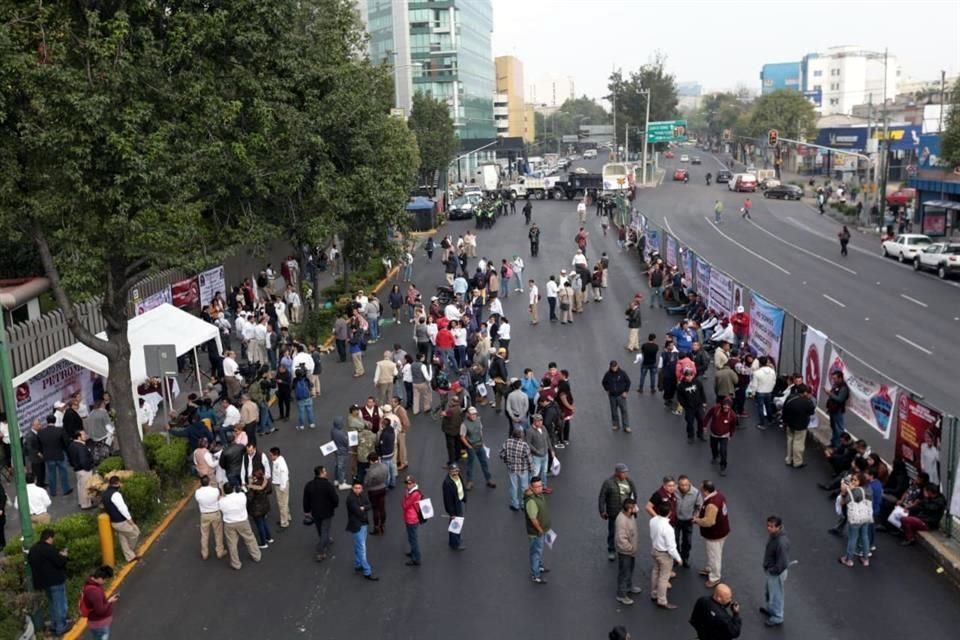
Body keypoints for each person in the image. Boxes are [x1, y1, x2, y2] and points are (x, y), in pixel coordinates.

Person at [28, 529, 70, 637]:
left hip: (43, 583)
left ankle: (54, 625)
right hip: (55, 581)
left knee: (52, 605)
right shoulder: (49, 549)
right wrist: (64, 555)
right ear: (50, 538)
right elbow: (59, 562)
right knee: (59, 604)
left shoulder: (33, 549)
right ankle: (61, 626)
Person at [693, 480, 730, 588]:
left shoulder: (712, 504)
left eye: (701, 489)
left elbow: (709, 522)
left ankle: (715, 577)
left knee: (715, 555)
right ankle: (710, 568)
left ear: (705, 491)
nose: (700, 490)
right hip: (722, 530)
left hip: (715, 535)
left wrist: (697, 520)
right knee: (713, 553)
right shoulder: (719, 495)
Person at [599, 463, 638, 562]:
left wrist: (634, 508)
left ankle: (628, 548)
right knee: (613, 531)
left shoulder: (629, 482)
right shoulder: (608, 483)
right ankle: (611, 550)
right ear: (617, 473)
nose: (625, 474)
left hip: (627, 511)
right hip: (614, 511)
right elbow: (602, 497)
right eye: (623, 472)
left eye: (626, 472)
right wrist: (602, 511)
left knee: (629, 530)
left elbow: (633, 495)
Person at [650, 500, 682, 609]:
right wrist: (679, 559)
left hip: (654, 550)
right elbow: (671, 548)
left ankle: (654, 593)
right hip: (664, 555)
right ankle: (662, 600)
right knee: (664, 577)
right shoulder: (668, 528)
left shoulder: (653, 520)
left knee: (655, 572)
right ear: (669, 513)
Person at [303, 466, 339, 561]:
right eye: (325, 471)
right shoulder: (328, 485)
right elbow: (335, 499)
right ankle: (321, 551)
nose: (326, 472)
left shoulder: (309, 485)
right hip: (327, 512)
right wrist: (334, 506)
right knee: (325, 530)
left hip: (315, 512)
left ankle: (325, 540)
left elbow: (306, 500)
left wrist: (307, 511)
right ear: (322, 473)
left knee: (319, 528)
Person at [102, 475, 141, 562]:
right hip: (121, 521)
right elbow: (122, 508)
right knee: (135, 533)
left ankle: (130, 557)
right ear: (117, 483)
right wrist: (130, 520)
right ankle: (131, 550)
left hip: (113, 521)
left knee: (123, 538)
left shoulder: (105, 494)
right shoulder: (116, 494)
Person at [611, 497, 642, 604]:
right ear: (629, 509)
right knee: (624, 572)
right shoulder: (621, 521)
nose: (637, 509)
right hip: (625, 552)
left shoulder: (630, 515)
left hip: (631, 551)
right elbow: (621, 539)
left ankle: (628, 586)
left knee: (629, 570)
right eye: (634, 507)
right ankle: (621, 595)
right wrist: (631, 548)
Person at [346, 479, 379, 580]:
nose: (358, 490)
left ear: (362, 488)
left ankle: (358, 564)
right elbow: (359, 512)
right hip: (357, 525)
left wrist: (363, 508)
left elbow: (369, 505)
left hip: (363, 524)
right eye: (356, 488)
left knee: (358, 546)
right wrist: (364, 508)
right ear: (352, 488)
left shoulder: (362, 495)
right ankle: (367, 571)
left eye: (359, 488)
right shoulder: (350, 499)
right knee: (362, 548)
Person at [762, 515, 790, 627]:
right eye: (768, 525)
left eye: (772, 526)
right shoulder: (774, 535)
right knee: (769, 592)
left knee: (776, 595)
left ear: (779, 527)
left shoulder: (781, 542)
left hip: (776, 573)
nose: (769, 528)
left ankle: (778, 616)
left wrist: (772, 571)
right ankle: (771, 610)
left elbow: (782, 563)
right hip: (772, 570)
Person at [899, 481, 946, 546]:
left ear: (929, 491)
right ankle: (907, 534)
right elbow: (920, 506)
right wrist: (909, 509)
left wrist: (926, 498)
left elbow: (929, 508)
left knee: (904, 519)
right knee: (907, 516)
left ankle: (910, 538)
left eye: (926, 491)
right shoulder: (930, 498)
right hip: (922, 518)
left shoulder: (939, 501)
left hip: (928, 523)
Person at [460, 406, 496, 490]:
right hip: (472, 447)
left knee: (484, 463)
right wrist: (469, 446)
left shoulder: (478, 421)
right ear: (468, 414)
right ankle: (469, 481)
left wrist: (483, 443)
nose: (473, 416)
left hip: (479, 445)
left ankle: (488, 479)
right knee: (470, 465)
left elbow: (480, 431)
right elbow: (462, 437)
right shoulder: (464, 424)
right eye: (472, 414)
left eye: (475, 414)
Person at [524, 476, 551, 585]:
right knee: (535, 553)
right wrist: (540, 530)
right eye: (537, 486)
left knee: (538, 551)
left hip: (542, 530)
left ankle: (539, 566)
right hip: (536, 533)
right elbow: (533, 519)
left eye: (541, 485)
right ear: (531, 487)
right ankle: (535, 575)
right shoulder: (531, 501)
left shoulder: (538, 495)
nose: (540, 488)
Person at [782, 384, 816, 468]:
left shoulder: (790, 397)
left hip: (789, 423)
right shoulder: (806, 402)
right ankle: (797, 462)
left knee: (790, 440)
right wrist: (809, 400)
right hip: (800, 425)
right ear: (805, 393)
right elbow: (811, 411)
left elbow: (784, 408)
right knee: (798, 443)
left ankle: (789, 459)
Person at [81, 565, 118, 639]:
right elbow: (100, 611)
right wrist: (109, 601)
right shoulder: (95, 592)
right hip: (100, 624)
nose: (105, 582)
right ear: (100, 578)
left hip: (95, 623)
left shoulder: (89, 583)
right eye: (105, 580)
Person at [500, 427, 533, 512]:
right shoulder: (524, 445)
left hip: (511, 468)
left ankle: (515, 504)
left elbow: (501, 454)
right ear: (521, 436)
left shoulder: (507, 442)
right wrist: (531, 469)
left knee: (513, 486)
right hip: (523, 469)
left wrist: (507, 461)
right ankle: (523, 504)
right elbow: (529, 459)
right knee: (524, 487)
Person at [38, 414, 71, 497]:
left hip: (48, 456)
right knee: (63, 472)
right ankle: (66, 489)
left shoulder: (41, 432)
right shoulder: (60, 430)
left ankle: (53, 492)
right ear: (55, 421)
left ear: (47, 421)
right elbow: (66, 442)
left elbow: (39, 444)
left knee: (51, 474)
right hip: (60, 454)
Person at [194, 476, 226, 560]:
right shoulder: (215, 491)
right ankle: (219, 551)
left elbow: (198, 500)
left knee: (204, 534)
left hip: (204, 514)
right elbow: (219, 497)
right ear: (209, 481)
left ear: (201, 483)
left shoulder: (198, 492)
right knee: (218, 534)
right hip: (215, 513)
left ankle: (204, 553)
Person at [704, 397, 737, 475]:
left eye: (728, 406)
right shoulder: (715, 409)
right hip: (714, 434)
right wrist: (704, 426)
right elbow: (708, 415)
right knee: (713, 447)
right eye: (725, 405)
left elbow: (733, 426)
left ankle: (723, 466)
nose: (726, 407)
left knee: (723, 451)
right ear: (722, 404)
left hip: (724, 436)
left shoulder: (732, 415)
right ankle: (715, 456)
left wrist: (730, 435)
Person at [677, 368, 707, 443]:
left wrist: (704, 402)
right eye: (687, 376)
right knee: (690, 422)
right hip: (689, 408)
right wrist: (685, 406)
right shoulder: (681, 386)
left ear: (693, 375)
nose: (689, 377)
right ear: (684, 376)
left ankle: (700, 434)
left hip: (698, 405)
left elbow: (702, 392)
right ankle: (690, 436)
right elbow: (680, 398)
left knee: (701, 420)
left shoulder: (697, 382)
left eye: (690, 375)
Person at [67, 430, 95, 509]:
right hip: (84, 470)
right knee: (86, 487)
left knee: (80, 486)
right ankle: (86, 504)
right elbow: (83, 460)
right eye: (83, 435)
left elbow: (70, 459)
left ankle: (81, 502)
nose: (85, 436)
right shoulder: (81, 447)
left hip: (77, 470)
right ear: (79, 437)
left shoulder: (71, 445)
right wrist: (88, 468)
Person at [401, 475, 425, 567]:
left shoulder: (414, 494)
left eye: (409, 483)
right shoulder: (410, 492)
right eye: (406, 483)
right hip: (409, 518)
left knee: (413, 539)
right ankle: (413, 552)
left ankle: (416, 558)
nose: (407, 485)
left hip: (412, 519)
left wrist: (405, 498)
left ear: (414, 483)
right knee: (411, 537)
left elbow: (404, 505)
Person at [442, 463, 467, 550]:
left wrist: (464, 497)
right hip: (454, 506)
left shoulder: (458, 476)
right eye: (454, 471)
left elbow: (461, 486)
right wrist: (451, 513)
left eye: (457, 470)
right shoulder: (447, 483)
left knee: (455, 522)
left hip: (458, 501)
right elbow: (448, 500)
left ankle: (453, 540)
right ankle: (455, 543)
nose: (456, 472)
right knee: (456, 523)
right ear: (449, 471)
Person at [602, 360, 632, 433]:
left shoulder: (622, 373)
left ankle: (626, 426)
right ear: (610, 367)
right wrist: (607, 389)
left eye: (615, 367)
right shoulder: (608, 374)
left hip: (621, 395)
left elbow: (628, 382)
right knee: (614, 411)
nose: (614, 368)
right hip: (612, 396)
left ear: (617, 365)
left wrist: (626, 391)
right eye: (612, 367)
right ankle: (616, 425)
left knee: (624, 411)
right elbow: (603, 382)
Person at [826, 371, 850, 449]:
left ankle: (839, 445)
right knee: (833, 427)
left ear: (840, 378)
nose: (833, 380)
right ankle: (834, 442)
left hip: (838, 410)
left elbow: (840, 399)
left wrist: (830, 394)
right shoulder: (836, 385)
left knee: (839, 428)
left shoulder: (844, 388)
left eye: (835, 378)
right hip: (832, 409)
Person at [269, 447, 291, 529]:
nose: (270, 457)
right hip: (279, 484)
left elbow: (284, 474)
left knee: (282, 504)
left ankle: (284, 522)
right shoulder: (277, 460)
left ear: (276, 455)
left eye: (271, 455)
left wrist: (282, 486)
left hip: (281, 485)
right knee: (284, 503)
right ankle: (287, 516)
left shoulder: (280, 463)